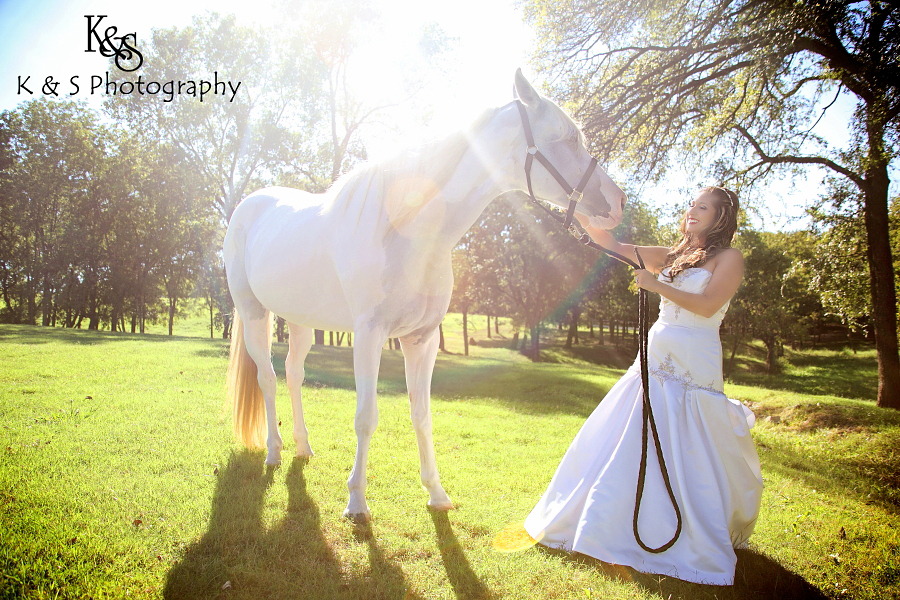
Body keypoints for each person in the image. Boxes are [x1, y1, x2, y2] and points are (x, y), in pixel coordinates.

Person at [523, 186, 763, 586]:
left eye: (703, 207)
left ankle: (688, 530)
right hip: (655, 353)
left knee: (686, 437)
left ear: (720, 217)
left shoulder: (729, 258)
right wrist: (578, 210)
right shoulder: (672, 255)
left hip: (694, 357)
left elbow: (707, 306)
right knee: (633, 432)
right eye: (691, 204)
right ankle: (610, 522)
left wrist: (656, 285)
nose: (692, 210)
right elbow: (611, 244)